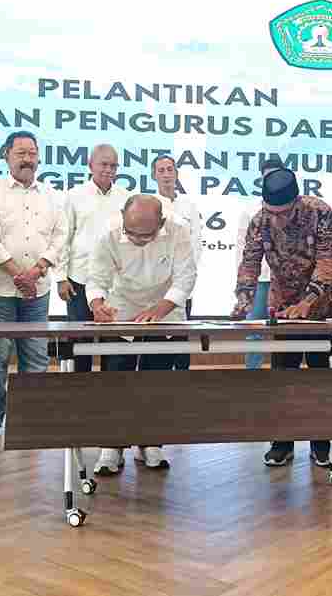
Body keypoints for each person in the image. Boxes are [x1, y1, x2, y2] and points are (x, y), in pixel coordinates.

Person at [232, 168, 332, 468]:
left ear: (296, 202)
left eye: (283, 213)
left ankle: (321, 444)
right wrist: (243, 299)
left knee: (319, 375)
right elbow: (250, 263)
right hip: (283, 306)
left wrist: (308, 303)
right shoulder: (260, 220)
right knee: (283, 374)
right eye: (272, 212)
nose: (277, 219)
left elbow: (327, 263)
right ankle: (282, 443)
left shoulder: (319, 212)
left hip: (321, 305)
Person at [87, 195, 197, 474]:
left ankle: (151, 443)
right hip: (121, 308)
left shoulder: (179, 231)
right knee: (116, 381)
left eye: (145, 235)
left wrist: (159, 310)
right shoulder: (108, 231)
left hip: (165, 309)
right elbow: (97, 277)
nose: (137, 239)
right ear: (122, 216)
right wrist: (97, 305)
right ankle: (111, 447)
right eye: (131, 233)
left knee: (156, 381)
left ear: (161, 222)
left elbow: (186, 277)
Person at [0, 131, 67, 442]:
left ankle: (31, 418)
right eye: (20, 153)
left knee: (36, 357)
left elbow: (60, 238)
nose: (27, 159)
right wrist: (19, 275)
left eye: (32, 153)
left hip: (37, 290)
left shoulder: (52, 195)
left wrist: (36, 271)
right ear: (7, 156)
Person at [55, 144, 130, 374]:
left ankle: (110, 393)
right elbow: (63, 238)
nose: (108, 170)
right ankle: (79, 393)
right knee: (80, 344)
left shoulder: (127, 198)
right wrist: (61, 278)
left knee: (115, 345)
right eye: (103, 164)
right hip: (78, 280)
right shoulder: (74, 196)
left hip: (114, 283)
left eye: (113, 166)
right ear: (90, 166)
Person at [151, 154, 204, 370]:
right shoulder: (149, 204)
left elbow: (196, 243)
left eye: (170, 169)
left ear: (176, 174)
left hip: (183, 285)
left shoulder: (189, 205)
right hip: (156, 286)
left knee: (182, 342)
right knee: (156, 346)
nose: (166, 174)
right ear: (154, 176)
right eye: (161, 170)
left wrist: (185, 276)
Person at [235, 155, 284, 369]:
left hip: (286, 281)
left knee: (285, 329)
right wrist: (243, 284)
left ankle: (282, 374)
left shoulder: (297, 208)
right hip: (260, 279)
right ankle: (252, 374)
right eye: (267, 177)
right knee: (254, 330)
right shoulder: (250, 210)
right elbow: (242, 248)